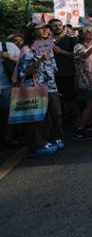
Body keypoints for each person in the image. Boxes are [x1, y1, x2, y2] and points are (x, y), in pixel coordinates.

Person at [17, 23, 63, 156]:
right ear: (32, 33)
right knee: (37, 118)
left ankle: (51, 139)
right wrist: (40, 60)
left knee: (54, 114)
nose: (46, 30)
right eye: (41, 28)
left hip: (50, 86)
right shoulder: (27, 50)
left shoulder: (47, 46)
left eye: (47, 28)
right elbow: (24, 72)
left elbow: (53, 67)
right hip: (34, 87)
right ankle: (37, 145)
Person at [72, 28, 92, 140]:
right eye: (86, 31)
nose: (90, 33)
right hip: (85, 80)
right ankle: (79, 129)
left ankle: (88, 125)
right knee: (89, 105)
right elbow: (84, 56)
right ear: (80, 35)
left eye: (91, 31)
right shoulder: (78, 47)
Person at [49, 19, 78, 120]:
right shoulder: (45, 41)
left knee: (71, 98)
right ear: (50, 28)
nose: (58, 27)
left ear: (63, 27)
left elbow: (77, 56)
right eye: (54, 26)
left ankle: (75, 120)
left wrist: (61, 51)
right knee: (57, 100)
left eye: (59, 25)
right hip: (51, 75)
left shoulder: (72, 39)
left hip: (68, 73)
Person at [0, 38, 20, 147]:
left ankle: (7, 139)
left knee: (8, 115)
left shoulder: (9, 46)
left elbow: (22, 61)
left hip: (7, 87)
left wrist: (9, 57)